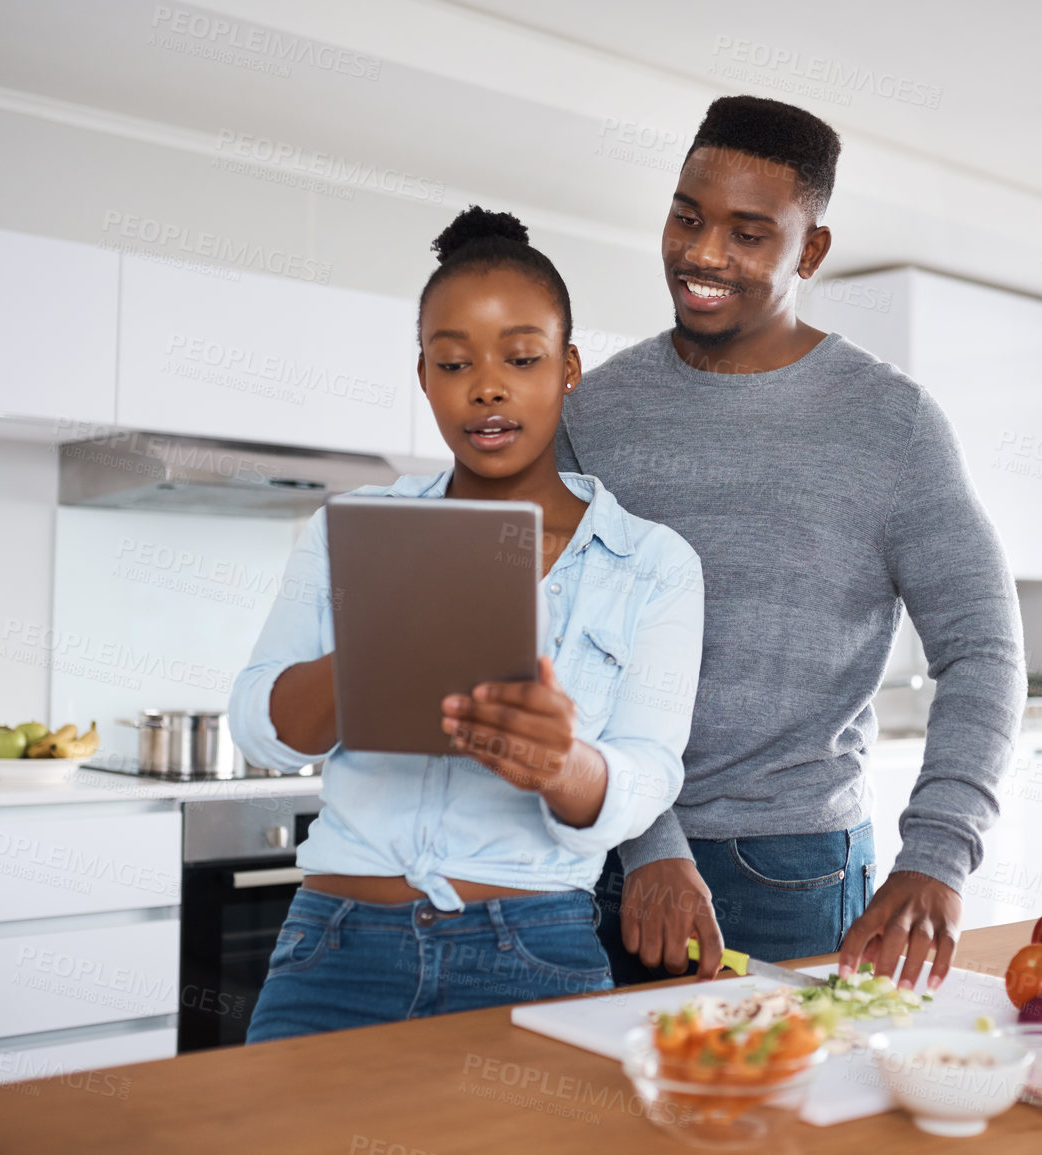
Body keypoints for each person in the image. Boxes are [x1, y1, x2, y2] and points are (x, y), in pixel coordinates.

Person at [557, 95, 1025, 991]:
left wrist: (938, 853)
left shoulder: (890, 424)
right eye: (687, 218)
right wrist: (649, 840)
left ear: (809, 249)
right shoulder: (594, 414)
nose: (702, 254)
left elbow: (983, 647)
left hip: (791, 866)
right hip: (601, 845)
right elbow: (568, 641)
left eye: (747, 233)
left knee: (792, 1123)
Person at [231, 206, 704, 1040]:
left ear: (567, 369)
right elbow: (259, 726)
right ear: (424, 377)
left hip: (534, 952)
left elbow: (649, 771)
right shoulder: (351, 528)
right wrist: (377, 652)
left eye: (521, 358)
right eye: (454, 362)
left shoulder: (653, 563)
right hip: (332, 948)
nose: (486, 386)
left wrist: (564, 766)